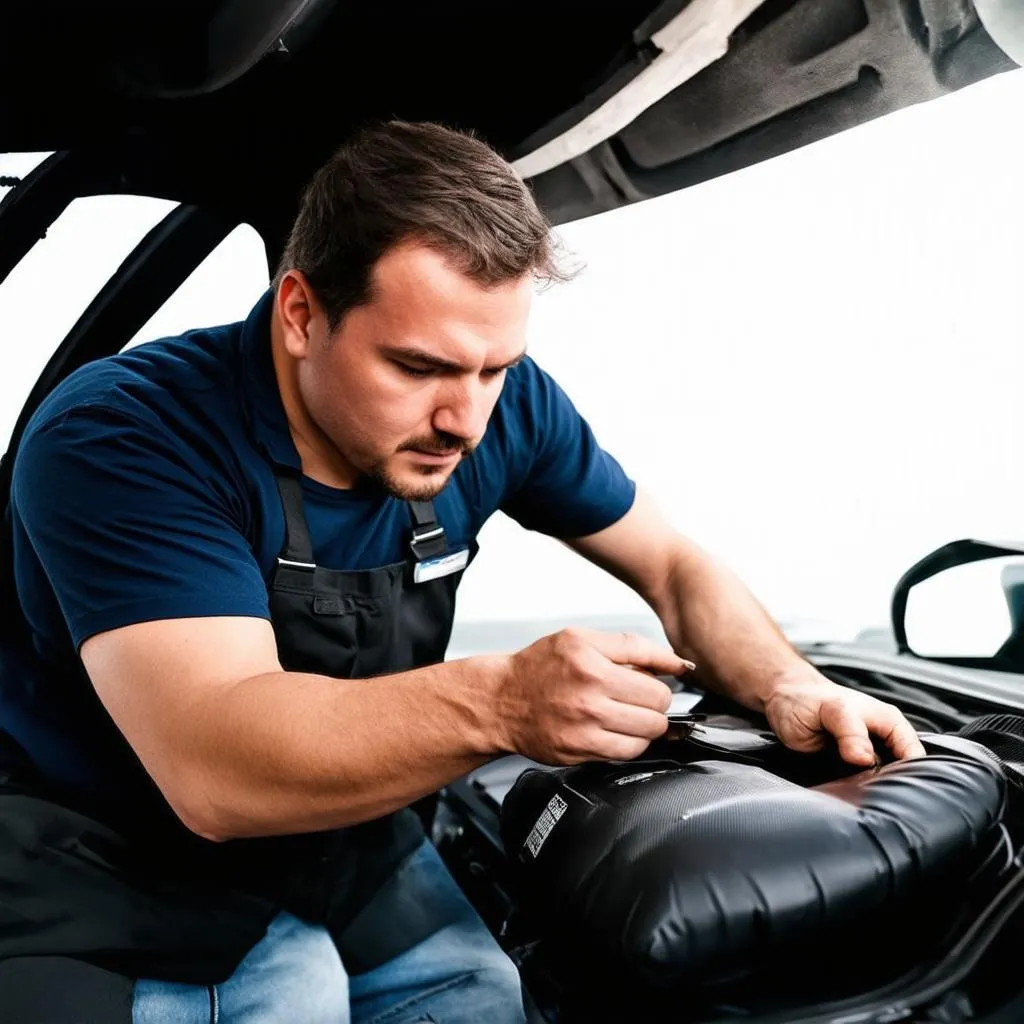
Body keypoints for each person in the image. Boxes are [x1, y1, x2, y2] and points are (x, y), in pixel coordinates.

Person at [0, 120, 925, 1024]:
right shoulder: (127, 437)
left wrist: (788, 684)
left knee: (489, 997)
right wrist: (502, 703)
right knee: (297, 994)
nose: (467, 419)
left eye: (494, 368)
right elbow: (214, 769)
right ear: (300, 313)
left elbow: (675, 568)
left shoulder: (501, 406)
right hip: (109, 862)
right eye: (418, 366)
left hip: (351, 843)